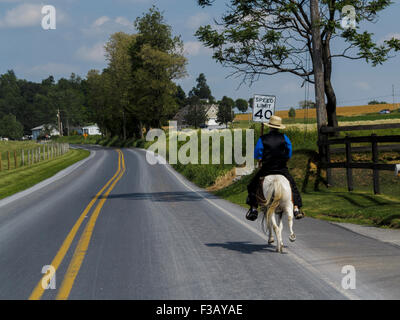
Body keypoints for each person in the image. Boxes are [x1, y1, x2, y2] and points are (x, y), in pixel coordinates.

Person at [246, 115, 304, 221]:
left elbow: (258, 153)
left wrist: (260, 160)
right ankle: (296, 208)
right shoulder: (284, 137)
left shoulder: (262, 139)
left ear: (270, 126)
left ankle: (254, 209)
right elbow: (289, 150)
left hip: (267, 168)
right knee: (293, 185)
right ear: (279, 127)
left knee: (252, 185)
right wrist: (285, 159)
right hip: (282, 168)